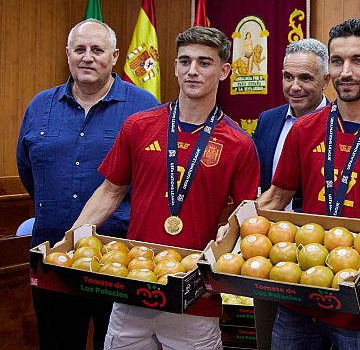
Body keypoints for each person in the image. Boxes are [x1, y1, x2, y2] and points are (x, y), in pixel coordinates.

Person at [239, 18, 360, 349]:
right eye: (337, 61)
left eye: (358, 60)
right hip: (299, 289)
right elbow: (276, 196)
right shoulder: (304, 130)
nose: (346, 71)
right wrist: (236, 229)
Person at [73, 26, 260, 349]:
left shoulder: (239, 143)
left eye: (204, 63)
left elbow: (247, 217)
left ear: (224, 70)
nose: (192, 71)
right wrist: (73, 238)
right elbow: (110, 191)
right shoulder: (139, 125)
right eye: (185, 61)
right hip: (133, 281)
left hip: (196, 295)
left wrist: (226, 241)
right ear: (174, 66)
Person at [16, 18, 159, 350]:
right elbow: (28, 171)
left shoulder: (145, 109)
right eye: (79, 49)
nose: (87, 57)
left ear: (114, 56)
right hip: (53, 257)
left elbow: (155, 180)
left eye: (97, 50)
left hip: (120, 260)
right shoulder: (40, 106)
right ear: (68, 55)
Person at [250, 38, 328, 350]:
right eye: (287, 77)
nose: (294, 86)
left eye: (306, 78)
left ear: (326, 80)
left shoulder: (342, 124)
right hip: (270, 250)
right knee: (271, 339)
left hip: (324, 252)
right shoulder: (268, 121)